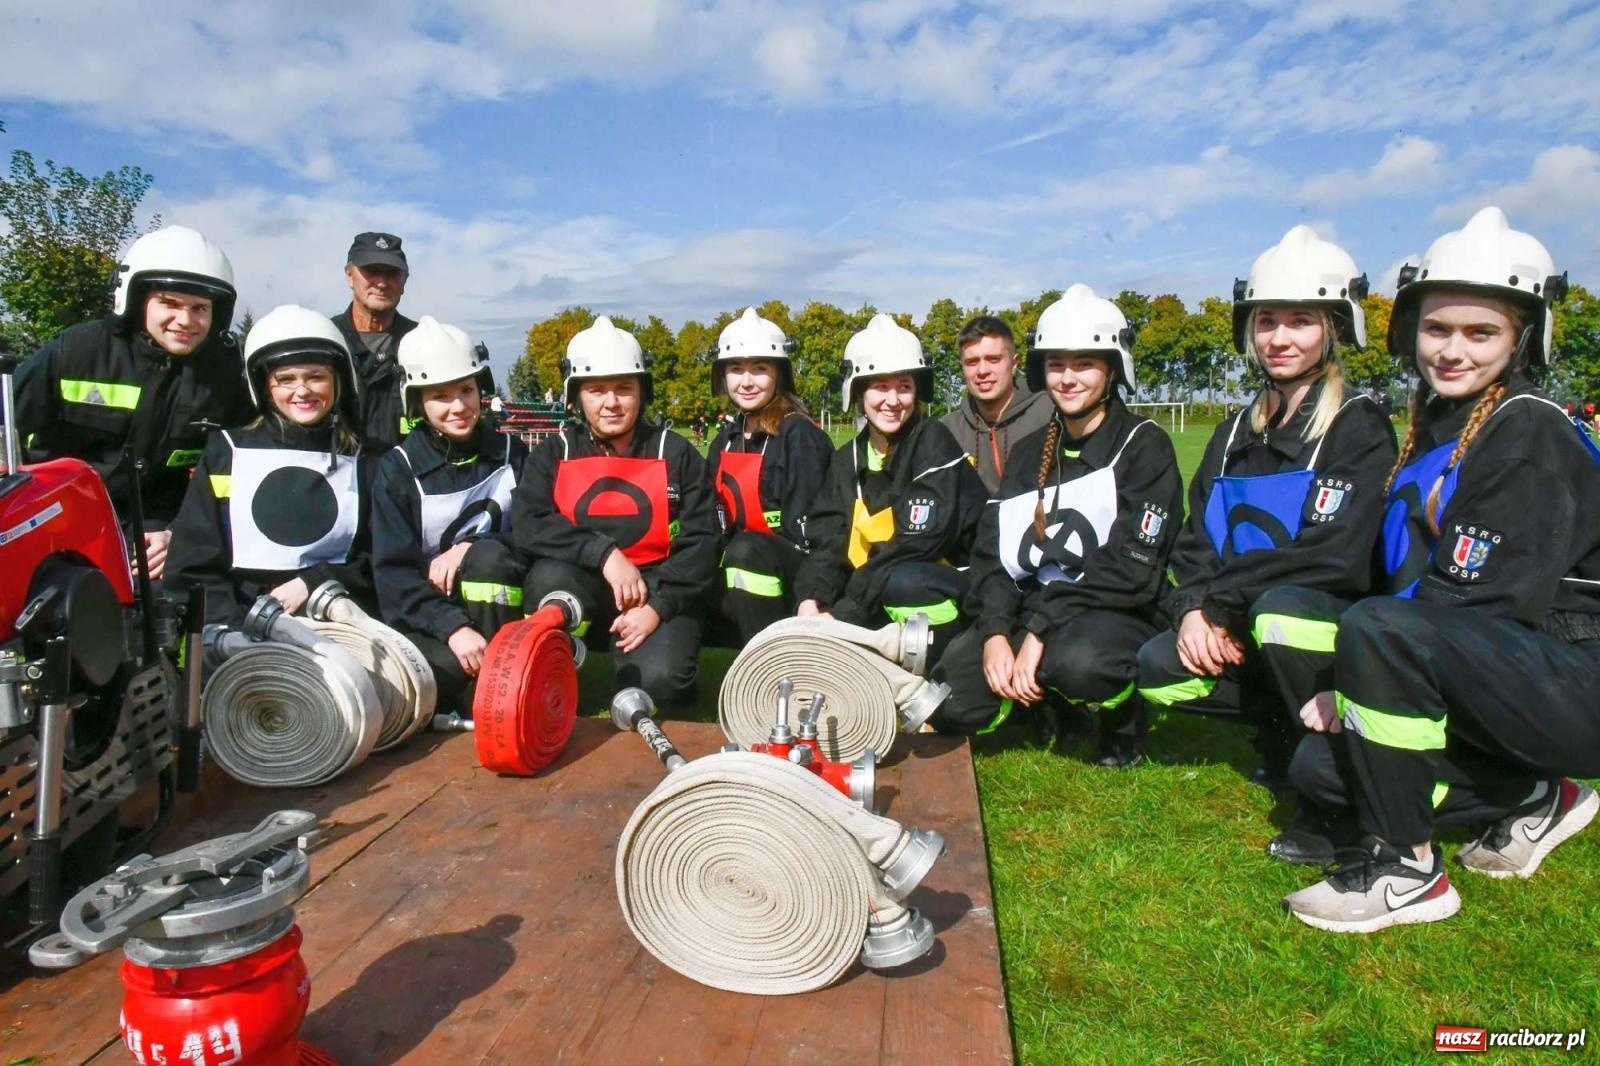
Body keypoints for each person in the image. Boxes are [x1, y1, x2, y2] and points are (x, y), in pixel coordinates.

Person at [1280, 208, 1600, 932]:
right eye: (1437, 329)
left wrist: (1349, 681)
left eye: (1480, 332)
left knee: (1380, 632)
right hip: (1507, 666)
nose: (1452, 350)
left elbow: (1484, 607)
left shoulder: (1526, 431)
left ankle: (1409, 869)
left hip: (1575, 672)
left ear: (1524, 339)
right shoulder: (1435, 427)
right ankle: (1537, 798)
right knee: (1318, 770)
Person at [1135, 226, 1397, 785]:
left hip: (1320, 627)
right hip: (1237, 620)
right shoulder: (1232, 431)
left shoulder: (1358, 426)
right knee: (1157, 668)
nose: (1280, 338)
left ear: (1333, 329)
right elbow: (1196, 542)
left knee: (1282, 614)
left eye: (1300, 321)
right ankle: (1278, 724)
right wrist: (1192, 612)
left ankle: (1333, 752)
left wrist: (1222, 606)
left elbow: (1335, 558)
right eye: (1266, 321)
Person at [931, 287, 1182, 766]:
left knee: (1080, 662)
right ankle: (1040, 706)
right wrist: (997, 635)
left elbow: (1133, 570)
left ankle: (1121, 719)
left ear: (1112, 368)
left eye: (1084, 364)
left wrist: (1039, 632)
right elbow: (994, 556)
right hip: (1036, 610)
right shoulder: (1029, 456)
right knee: (951, 700)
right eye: (1056, 364)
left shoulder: (1144, 446)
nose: (1068, 379)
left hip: (1115, 610)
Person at [10, 225, 252, 578]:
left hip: (153, 534)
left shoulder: (224, 374)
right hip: (52, 522)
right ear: (137, 300)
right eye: (168, 303)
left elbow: (233, 471)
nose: (185, 321)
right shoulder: (77, 351)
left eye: (200, 308)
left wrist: (180, 530)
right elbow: (5, 427)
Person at [510, 316, 718, 707]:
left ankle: (642, 661)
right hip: (581, 582)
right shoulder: (554, 452)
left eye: (624, 389)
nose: (611, 403)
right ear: (576, 396)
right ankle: (552, 668)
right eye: (596, 390)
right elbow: (528, 523)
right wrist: (603, 554)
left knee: (659, 684)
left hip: (655, 589)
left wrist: (658, 608)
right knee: (548, 578)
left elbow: (703, 541)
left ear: (642, 392)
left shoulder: (675, 453)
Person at [165, 306, 375, 628]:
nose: (302, 391)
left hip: (340, 620)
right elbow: (193, 564)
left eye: (316, 376)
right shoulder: (227, 452)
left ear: (339, 381)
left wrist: (315, 581)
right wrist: (237, 628)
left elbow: (383, 557)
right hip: (239, 626)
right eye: (286, 379)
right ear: (265, 387)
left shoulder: (368, 459)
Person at [794, 314, 986, 650]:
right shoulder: (846, 461)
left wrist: (844, 614)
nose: (893, 400)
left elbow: (919, 543)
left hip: (957, 587)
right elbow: (830, 539)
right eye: (880, 386)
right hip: (878, 587)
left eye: (904, 387)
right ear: (857, 391)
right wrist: (812, 598)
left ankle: (939, 671)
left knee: (904, 582)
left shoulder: (934, 444)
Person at [371, 317, 529, 713]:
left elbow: (536, 534)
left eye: (466, 390)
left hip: (503, 610)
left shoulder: (514, 453)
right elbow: (393, 576)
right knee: (436, 680)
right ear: (417, 402)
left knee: (489, 559)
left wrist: (472, 546)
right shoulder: (398, 469)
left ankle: (504, 676)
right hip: (429, 616)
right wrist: (452, 628)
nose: (459, 406)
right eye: (441, 395)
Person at [705, 309, 834, 643]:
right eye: (736, 370)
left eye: (759, 369)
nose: (746, 382)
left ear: (779, 374)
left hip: (795, 573)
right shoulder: (726, 439)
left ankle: (770, 660)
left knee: (746, 551)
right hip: (742, 564)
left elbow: (813, 534)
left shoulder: (798, 436)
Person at [939, 315, 1054, 494]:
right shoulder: (947, 431)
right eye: (972, 362)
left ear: (1014, 364)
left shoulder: (1050, 413)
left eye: (993, 359)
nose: (982, 371)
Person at [331, 232, 418, 449]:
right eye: (371, 271)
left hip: (406, 478)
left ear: (404, 280)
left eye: (392, 273)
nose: (381, 283)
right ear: (349, 275)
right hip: (340, 477)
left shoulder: (423, 343)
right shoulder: (326, 341)